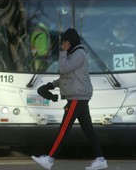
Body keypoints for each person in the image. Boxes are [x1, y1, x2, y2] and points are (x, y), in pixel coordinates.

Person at [31, 28, 108, 170]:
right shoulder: (74, 55)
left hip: (77, 98)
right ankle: (101, 159)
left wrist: (63, 52)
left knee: (64, 128)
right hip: (78, 96)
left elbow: (63, 69)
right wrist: (51, 85)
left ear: (70, 42)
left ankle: (49, 159)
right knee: (88, 129)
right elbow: (67, 77)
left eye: (64, 42)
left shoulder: (79, 54)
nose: (62, 45)